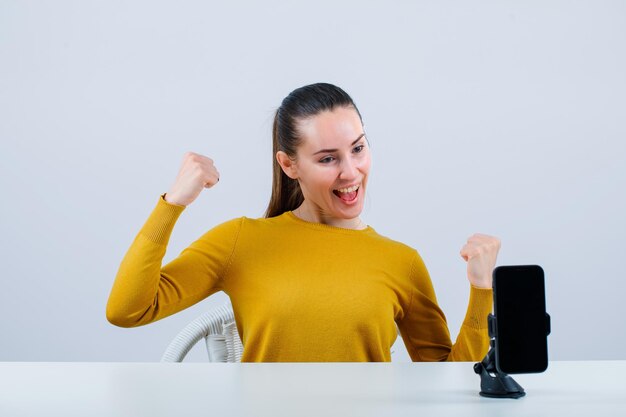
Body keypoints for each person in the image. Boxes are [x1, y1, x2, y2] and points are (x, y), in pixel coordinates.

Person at [106, 83, 500, 362]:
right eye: (328, 158)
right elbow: (127, 310)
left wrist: (482, 290)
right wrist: (172, 203)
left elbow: (452, 383)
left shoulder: (402, 262)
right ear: (288, 164)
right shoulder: (241, 241)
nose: (351, 172)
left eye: (358, 149)